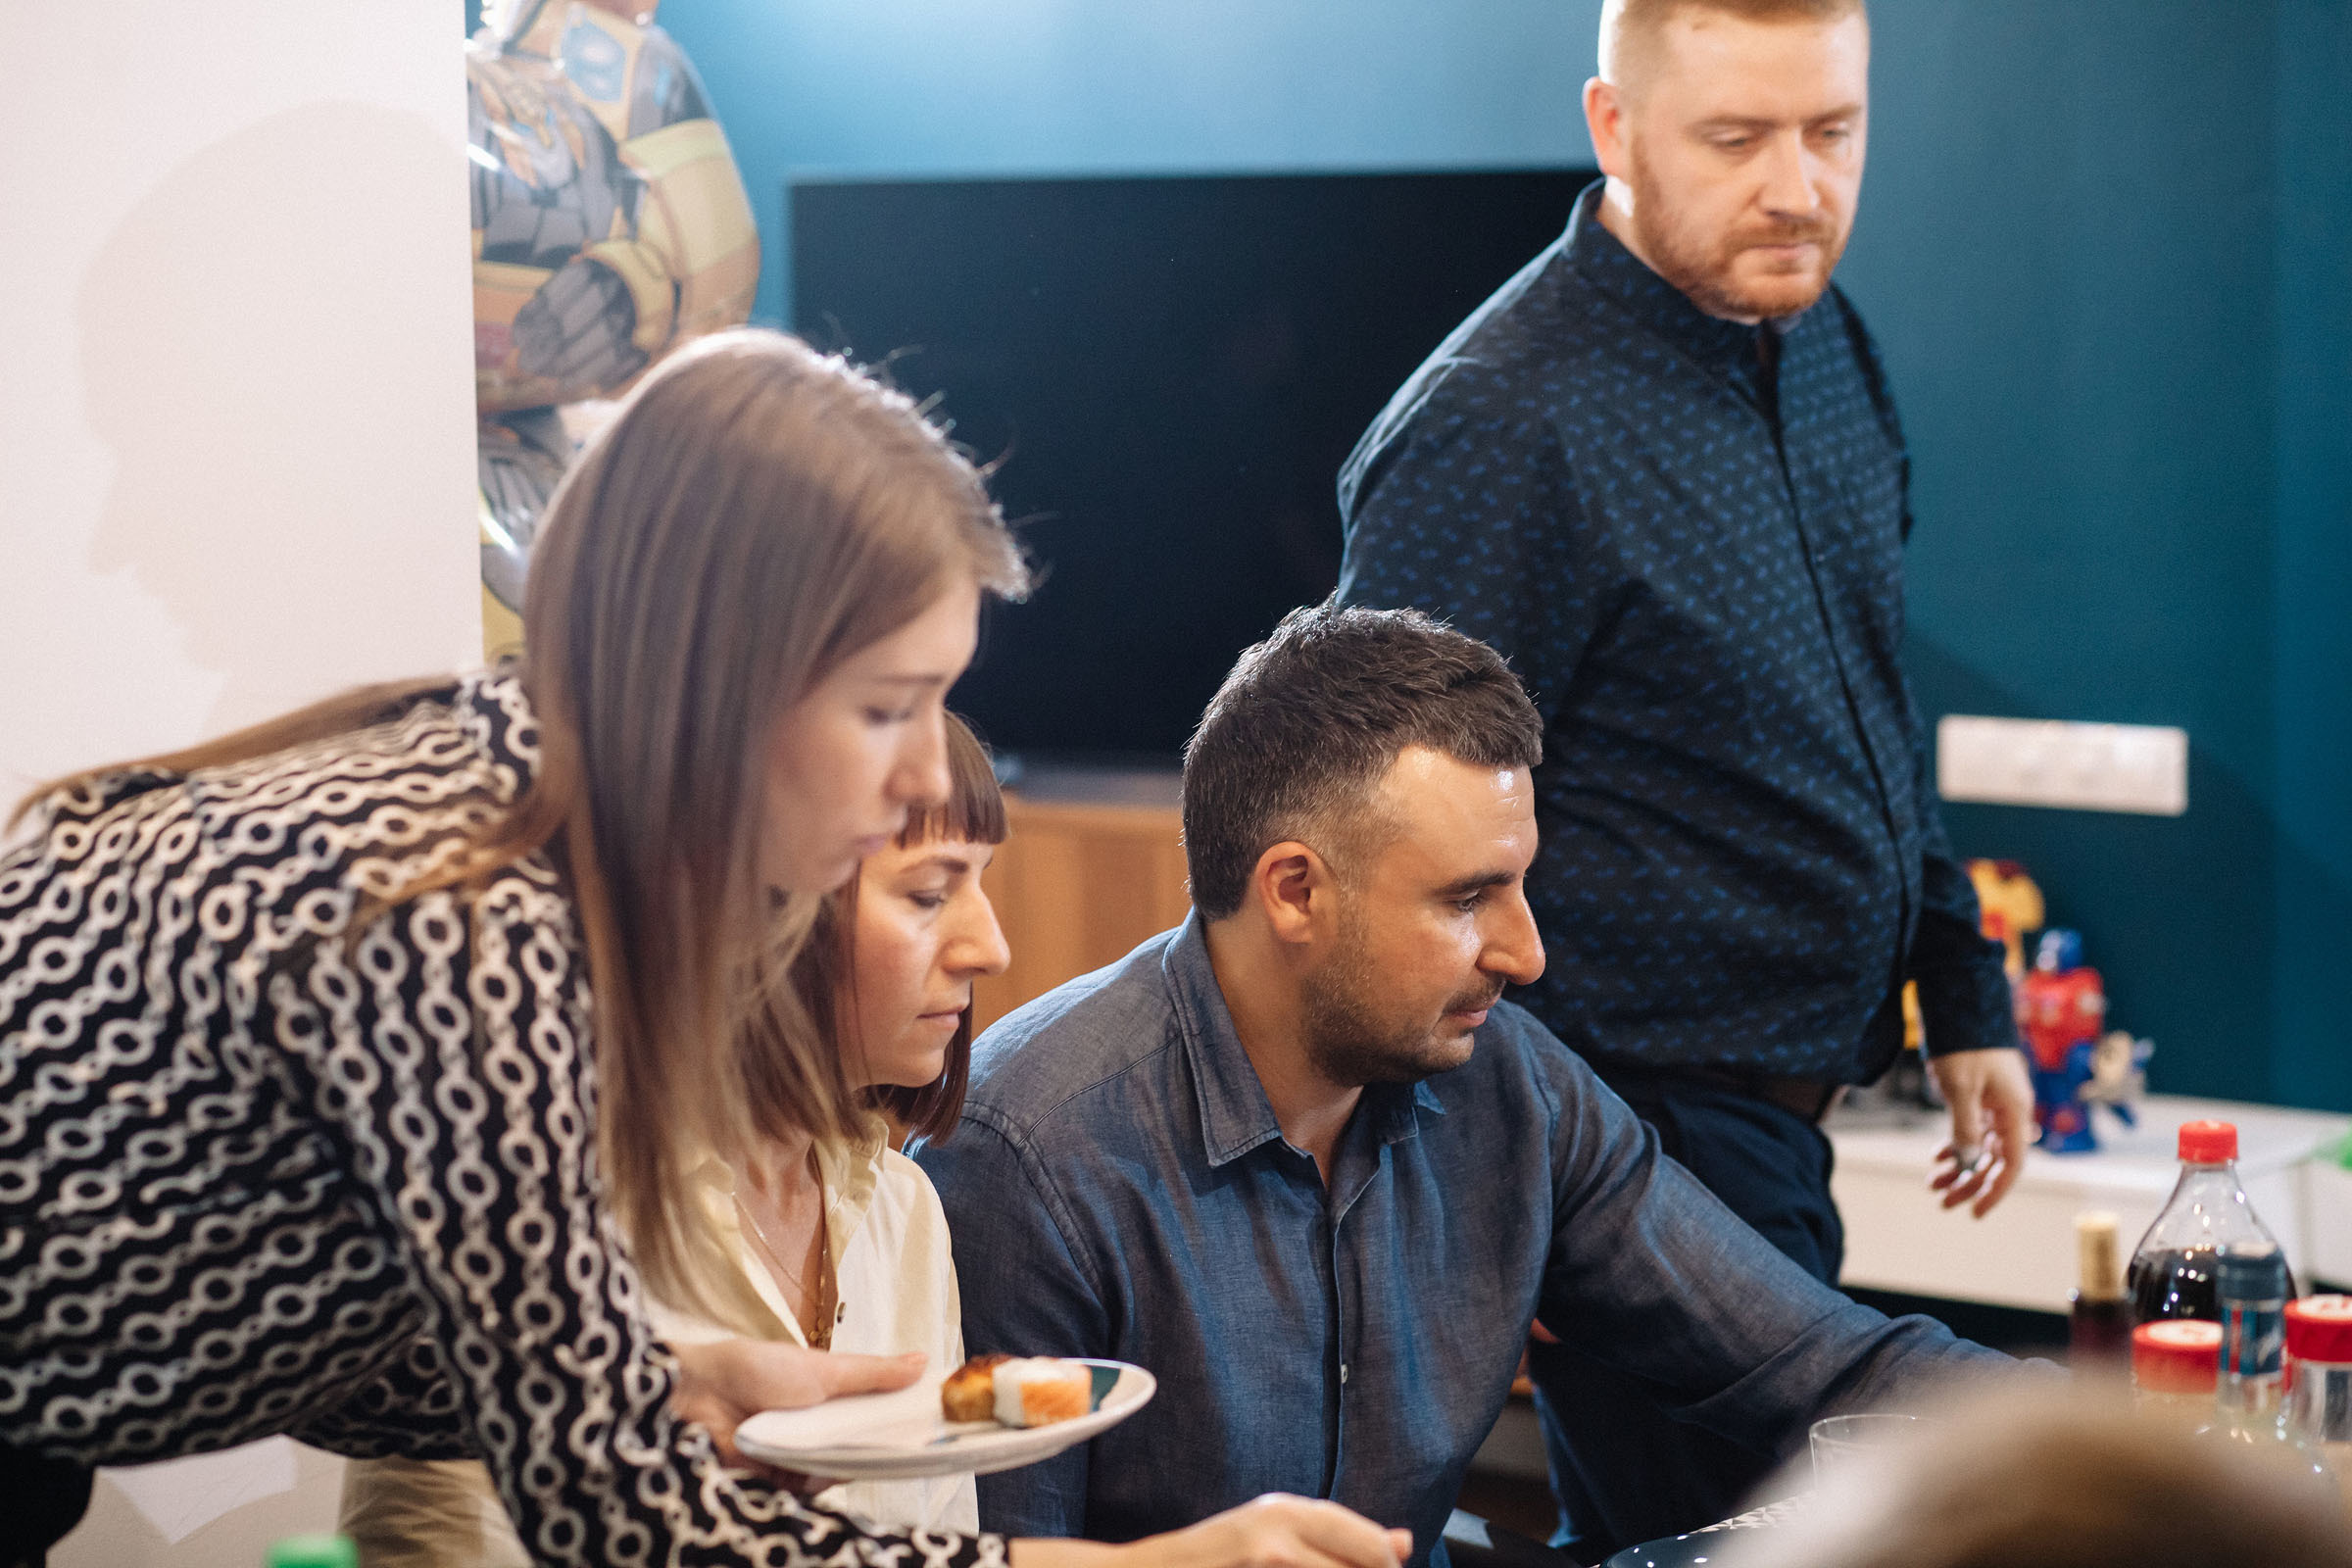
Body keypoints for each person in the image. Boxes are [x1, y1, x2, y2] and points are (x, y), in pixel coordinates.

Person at [0, 331, 1409, 1568]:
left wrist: (667, 1375)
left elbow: (288, 1291)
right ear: (714, 680)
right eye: (883, 709)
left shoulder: (511, 804)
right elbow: (639, 1529)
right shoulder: (468, 926)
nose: (919, 777)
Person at [1332, 0, 2034, 1552]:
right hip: (1627, 1136)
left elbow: (1869, 698)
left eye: (1832, 133)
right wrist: (1459, 1202)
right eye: (1736, 138)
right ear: (1616, 130)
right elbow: (1371, 829)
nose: (1796, 186)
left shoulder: (1825, 340)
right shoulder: (1500, 423)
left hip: (1793, 1115)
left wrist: (1960, 988)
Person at [916, 605, 2023, 1568]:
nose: (1526, 951)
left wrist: (2145, 1444)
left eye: (1521, 885)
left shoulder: (1510, 1084)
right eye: (1468, 898)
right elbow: (1001, 1557)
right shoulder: (1031, 1154)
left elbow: (1812, 1362)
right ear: (1295, 890)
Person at [337, 711, 1012, 1563]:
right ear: (756, 903)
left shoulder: (905, 1207)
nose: (991, 946)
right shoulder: (540, 1206)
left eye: (983, 883)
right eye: (929, 893)